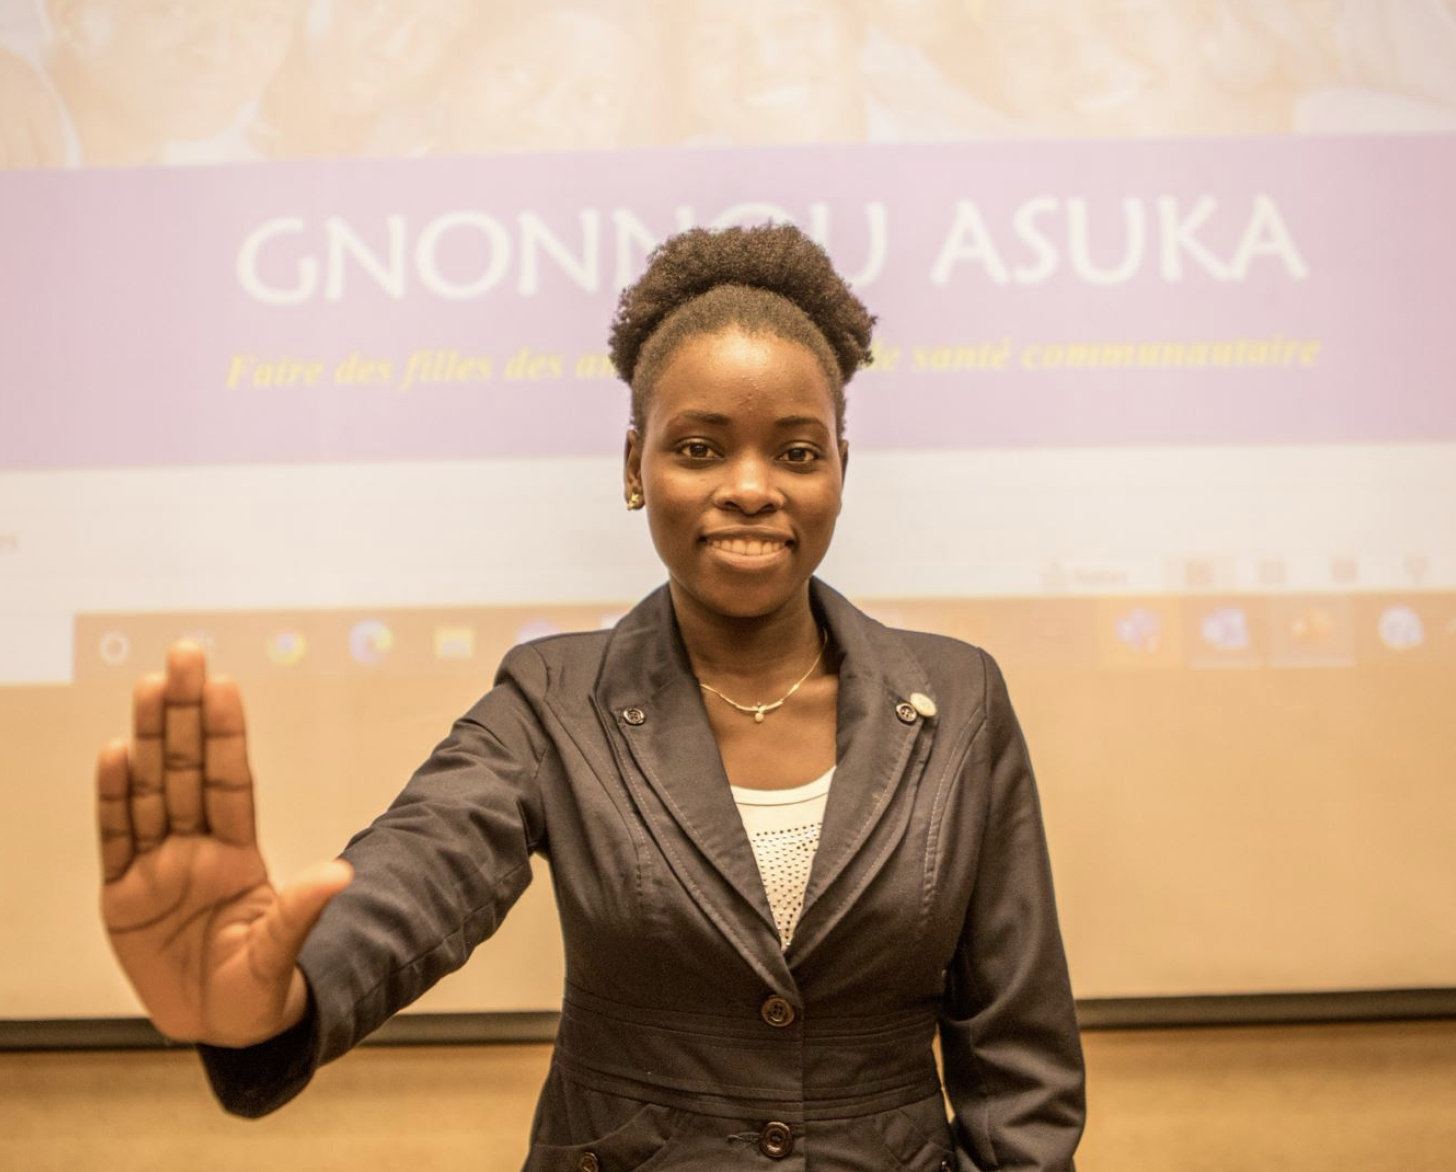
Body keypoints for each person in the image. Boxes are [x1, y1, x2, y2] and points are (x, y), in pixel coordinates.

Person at [96, 223, 1085, 1169]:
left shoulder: (957, 699)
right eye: (699, 447)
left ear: (838, 469)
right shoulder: (552, 697)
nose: (750, 486)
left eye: (795, 450)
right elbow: (422, 864)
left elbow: (1018, 1057)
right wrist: (283, 994)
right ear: (632, 467)